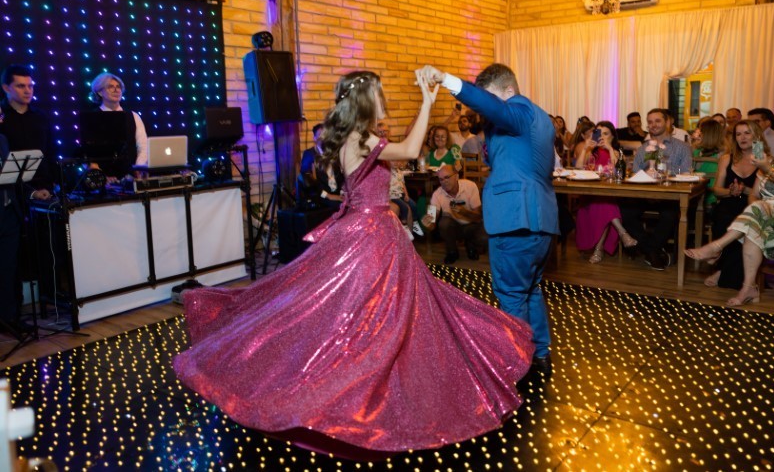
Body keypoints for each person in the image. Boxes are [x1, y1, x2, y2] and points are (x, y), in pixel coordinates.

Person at [173, 69, 533, 459]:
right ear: (365, 100)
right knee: (373, 314)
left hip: (368, 228)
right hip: (370, 234)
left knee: (370, 310)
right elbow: (411, 149)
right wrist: (428, 102)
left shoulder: (355, 137)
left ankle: (368, 370)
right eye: (378, 94)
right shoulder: (362, 138)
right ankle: (356, 386)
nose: (383, 100)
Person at [420, 63, 559, 375]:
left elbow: (494, 108)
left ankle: (516, 365)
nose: (489, 108)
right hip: (541, 220)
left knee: (511, 295)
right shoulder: (540, 118)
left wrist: (446, 80)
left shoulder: (520, 111)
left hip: (516, 219)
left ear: (508, 91)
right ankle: (540, 354)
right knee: (530, 289)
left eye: (492, 98)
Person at [686, 123, 774, 306]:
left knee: (756, 212)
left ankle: (716, 247)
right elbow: (754, 194)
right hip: (766, 212)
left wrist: (767, 170)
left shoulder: (770, 164)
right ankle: (748, 288)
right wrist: (759, 208)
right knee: (752, 225)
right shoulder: (771, 163)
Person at [0, 65, 53, 334]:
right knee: (9, 261)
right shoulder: (4, 122)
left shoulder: (39, 118)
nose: (27, 90)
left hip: (23, 197)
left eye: (30, 85)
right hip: (12, 198)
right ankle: (9, 314)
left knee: (19, 259)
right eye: (21, 86)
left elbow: (46, 155)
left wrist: (42, 188)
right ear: (6, 88)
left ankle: (22, 310)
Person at [620, 108, 693, 271]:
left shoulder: (682, 147)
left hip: (670, 195)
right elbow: (635, 173)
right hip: (644, 194)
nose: (653, 125)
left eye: (658, 121)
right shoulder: (643, 148)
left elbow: (686, 174)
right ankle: (652, 250)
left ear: (667, 122)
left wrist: (665, 179)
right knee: (625, 211)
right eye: (650, 122)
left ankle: (649, 249)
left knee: (670, 214)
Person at [701, 120, 763, 290]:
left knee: (742, 223)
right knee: (723, 218)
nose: (742, 137)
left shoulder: (764, 160)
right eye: (738, 134)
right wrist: (730, 191)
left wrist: (744, 190)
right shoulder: (727, 158)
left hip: (753, 205)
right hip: (728, 203)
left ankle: (722, 271)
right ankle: (723, 268)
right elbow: (716, 190)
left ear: (756, 135)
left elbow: (765, 193)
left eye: (747, 133)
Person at [573, 121, 637, 263]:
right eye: (598, 133)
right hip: (589, 195)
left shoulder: (615, 152)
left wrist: (609, 149)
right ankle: (622, 232)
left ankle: (598, 249)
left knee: (604, 203)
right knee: (604, 203)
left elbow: (618, 171)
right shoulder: (590, 151)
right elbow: (578, 168)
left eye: (606, 134)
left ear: (612, 137)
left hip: (609, 194)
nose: (601, 137)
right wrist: (585, 149)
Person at [422, 164, 487, 264]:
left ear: (456, 176)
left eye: (447, 177)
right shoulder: (437, 194)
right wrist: (428, 223)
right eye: (441, 179)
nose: (444, 182)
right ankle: (452, 252)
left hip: (471, 225)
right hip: (454, 227)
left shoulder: (470, 186)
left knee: (484, 237)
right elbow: (432, 220)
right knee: (444, 223)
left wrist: (464, 212)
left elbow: (478, 216)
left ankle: (471, 245)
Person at [88, 72, 147, 177]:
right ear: (100, 92)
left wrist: (138, 168)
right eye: (111, 87)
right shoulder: (92, 118)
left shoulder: (133, 116)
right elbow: (88, 152)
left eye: (118, 87)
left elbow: (143, 146)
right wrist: (100, 175)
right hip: (104, 178)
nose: (116, 90)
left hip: (131, 175)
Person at [299, 123, 343, 210]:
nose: (323, 137)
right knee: (341, 207)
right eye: (320, 134)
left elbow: (341, 176)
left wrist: (343, 192)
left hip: (337, 193)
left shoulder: (333, 153)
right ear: (314, 138)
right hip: (321, 196)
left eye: (325, 134)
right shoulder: (309, 154)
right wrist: (328, 196)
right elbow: (309, 183)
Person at [691, 118, 727, 207]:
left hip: (696, 194)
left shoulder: (695, 150)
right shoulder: (725, 152)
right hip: (715, 196)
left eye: (701, 131)